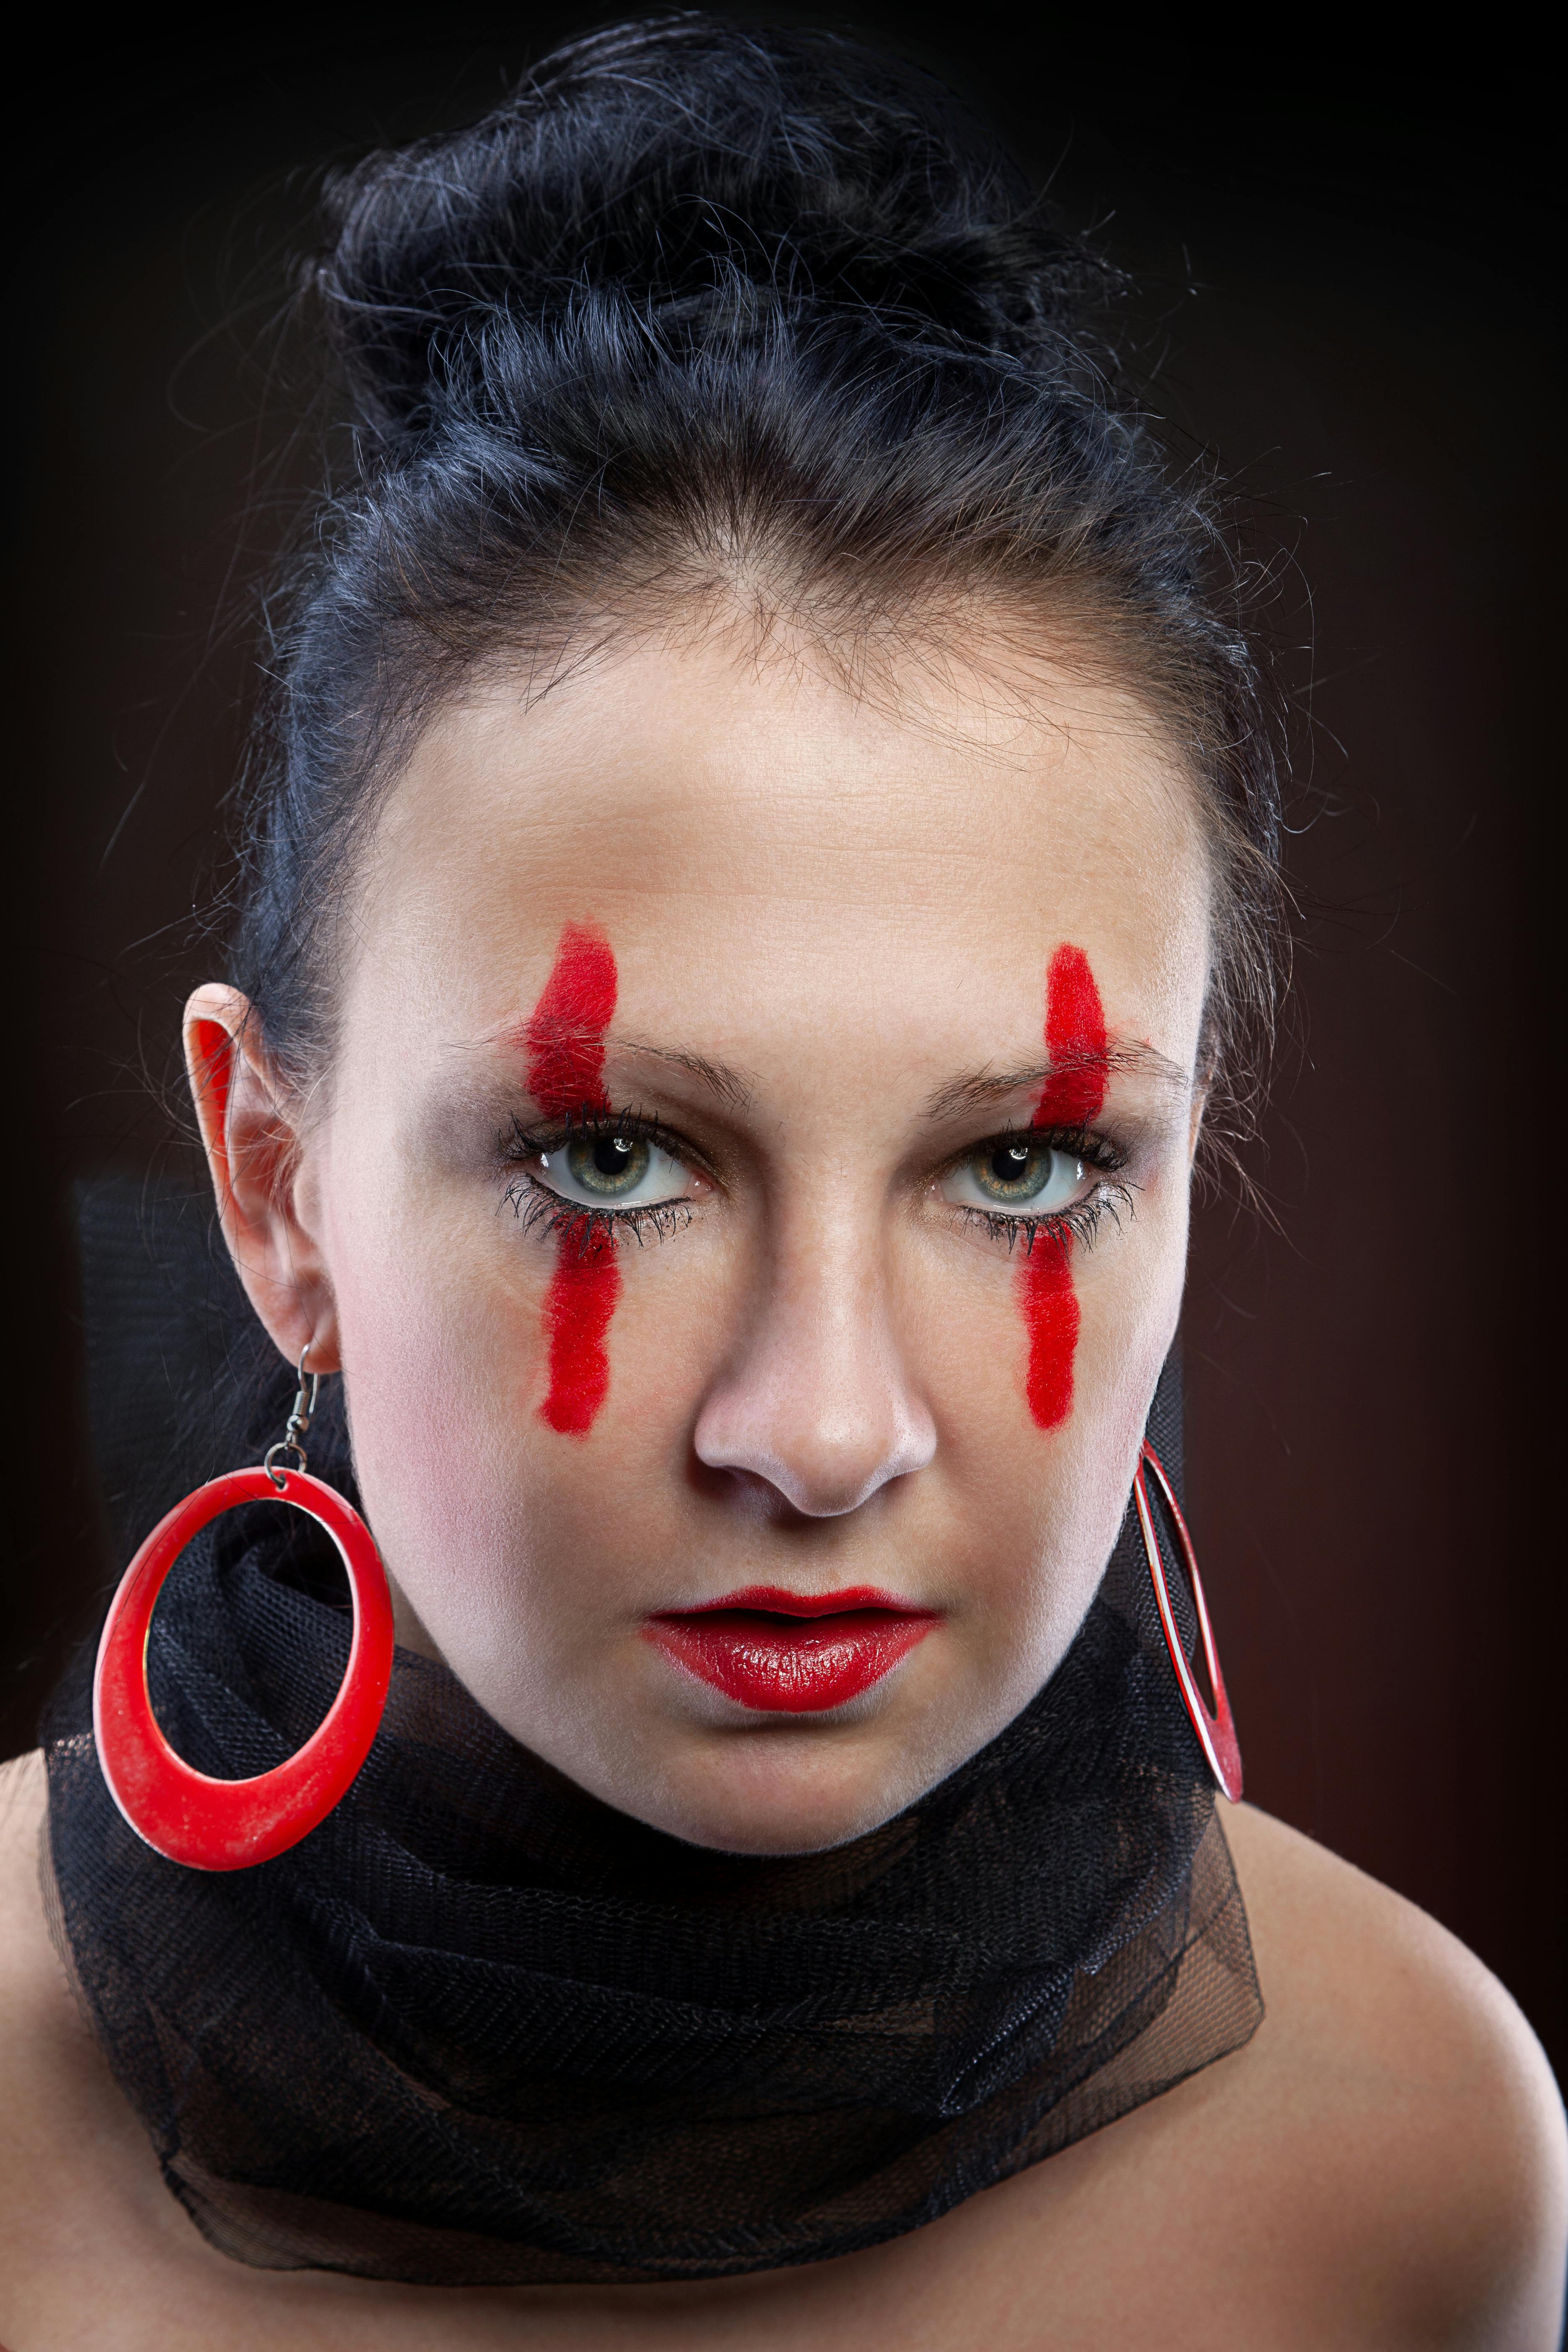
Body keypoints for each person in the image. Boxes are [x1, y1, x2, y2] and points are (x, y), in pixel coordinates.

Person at [1, 18, 1562, 2345]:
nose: (822, 1433)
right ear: (277, 1190)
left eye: (1024, 1161)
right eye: (613, 1154)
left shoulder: (1414, 2168)